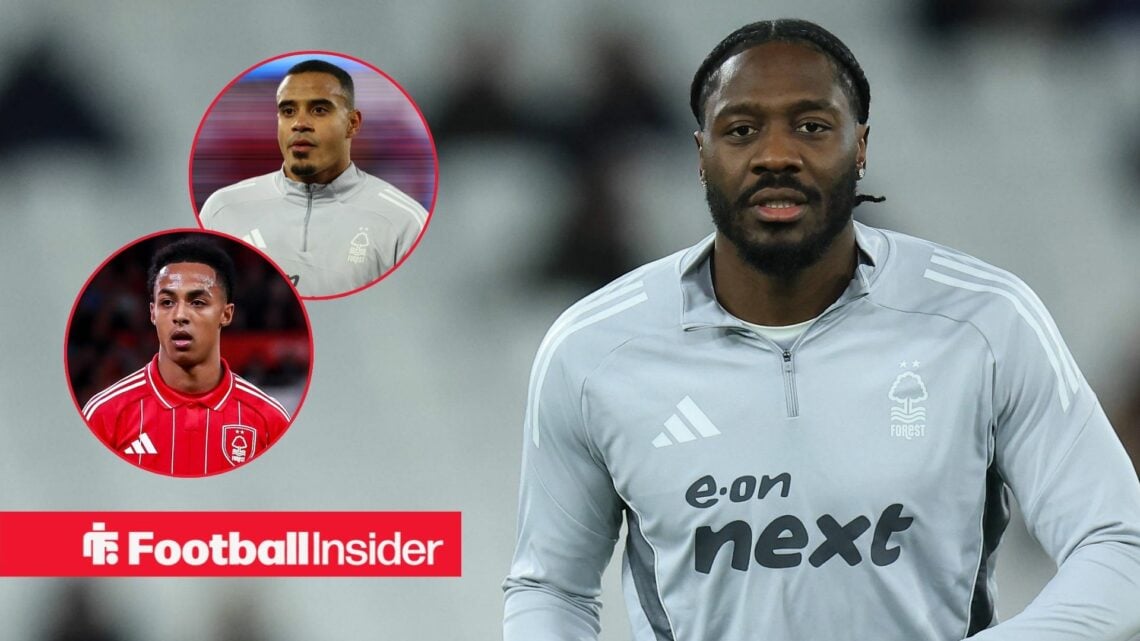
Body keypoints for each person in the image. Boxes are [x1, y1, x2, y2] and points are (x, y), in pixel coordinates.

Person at [503, 19, 1140, 641]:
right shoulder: (595, 350)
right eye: (742, 129)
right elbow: (550, 589)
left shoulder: (985, 323)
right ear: (702, 155)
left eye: (811, 126)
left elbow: (1118, 544)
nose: (776, 155)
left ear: (859, 146)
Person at [198, 59, 428, 298]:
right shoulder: (227, 201)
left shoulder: (397, 214)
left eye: (320, 111)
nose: (301, 124)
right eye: (288, 111)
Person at [82, 236, 291, 476]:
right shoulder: (105, 415)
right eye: (167, 302)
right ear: (152, 313)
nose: (180, 315)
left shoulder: (269, 420)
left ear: (226, 314)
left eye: (198, 302)